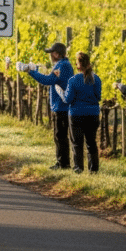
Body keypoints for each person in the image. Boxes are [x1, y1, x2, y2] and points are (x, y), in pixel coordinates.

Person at [22, 42, 74, 170]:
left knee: (60, 136)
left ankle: (63, 164)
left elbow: (48, 80)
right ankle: (61, 162)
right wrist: (35, 70)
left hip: (62, 106)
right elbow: (49, 78)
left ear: (56, 54)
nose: (50, 55)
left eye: (51, 52)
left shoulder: (62, 66)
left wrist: (31, 72)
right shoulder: (62, 65)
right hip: (61, 105)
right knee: (59, 135)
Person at [65, 52, 101, 174]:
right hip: (92, 114)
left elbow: (68, 99)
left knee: (77, 142)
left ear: (78, 64)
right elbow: (98, 96)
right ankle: (93, 169)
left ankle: (78, 168)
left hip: (76, 114)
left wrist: (63, 93)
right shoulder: (96, 79)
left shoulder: (73, 80)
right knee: (91, 142)